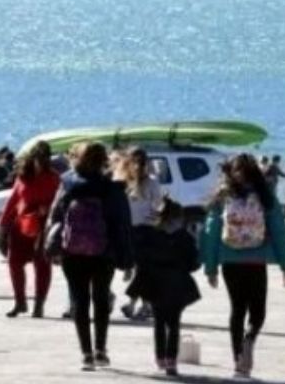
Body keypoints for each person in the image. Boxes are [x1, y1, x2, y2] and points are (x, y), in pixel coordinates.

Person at [201, 153, 285, 379]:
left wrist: (211, 268)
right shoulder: (264, 194)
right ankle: (249, 340)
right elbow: (279, 230)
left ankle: (238, 362)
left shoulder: (223, 195)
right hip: (256, 261)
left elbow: (211, 233)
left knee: (237, 310)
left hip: (230, 261)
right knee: (258, 313)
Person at [46, 142, 134, 372]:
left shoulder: (67, 183)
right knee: (101, 299)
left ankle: (86, 354)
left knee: (79, 300)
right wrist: (125, 257)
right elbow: (121, 224)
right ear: (104, 160)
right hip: (104, 252)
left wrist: (53, 246)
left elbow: (56, 216)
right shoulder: (111, 187)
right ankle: (101, 350)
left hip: (72, 251)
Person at [125, 198, 201, 377]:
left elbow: (141, 259)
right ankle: (171, 360)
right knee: (174, 323)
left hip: (154, 282)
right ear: (178, 217)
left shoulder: (151, 235)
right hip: (177, 283)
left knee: (159, 322)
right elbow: (193, 264)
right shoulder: (185, 237)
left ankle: (160, 356)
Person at [0, 140, 61, 318]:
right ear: (32, 157)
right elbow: (12, 200)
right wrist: (3, 224)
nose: (41, 161)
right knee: (14, 262)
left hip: (44, 226)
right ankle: (20, 302)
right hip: (22, 224)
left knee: (42, 264)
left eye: (44, 157)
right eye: (38, 157)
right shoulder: (23, 176)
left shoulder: (53, 177)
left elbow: (60, 202)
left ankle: (39, 304)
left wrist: (47, 208)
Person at [117, 148, 162, 321]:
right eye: (134, 162)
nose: (137, 166)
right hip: (130, 229)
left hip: (147, 229)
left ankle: (137, 304)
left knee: (143, 270)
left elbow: (158, 205)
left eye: (141, 162)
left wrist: (156, 217)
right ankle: (145, 304)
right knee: (140, 270)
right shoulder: (123, 182)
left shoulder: (151, 182)